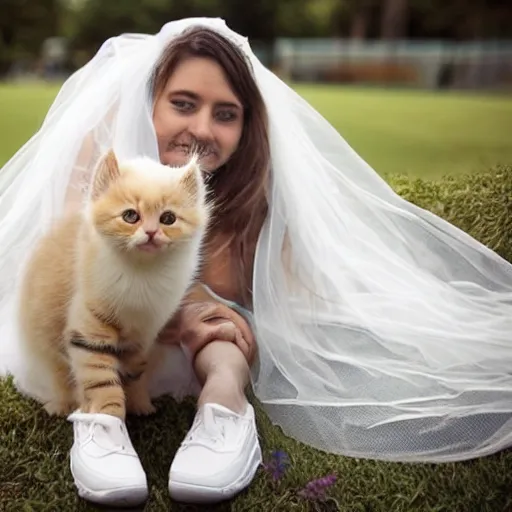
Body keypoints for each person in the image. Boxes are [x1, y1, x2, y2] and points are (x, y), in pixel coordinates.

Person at [1, 16, 512, 507]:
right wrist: (186, 295)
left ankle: (224, 411)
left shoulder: (253, 194)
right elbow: (76, 256)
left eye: (226, 114)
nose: (202, 129)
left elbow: (278, 301)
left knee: (226, 328)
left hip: (200, 351)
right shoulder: (106, 162)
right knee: (147, 306)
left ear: (246, 126)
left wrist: (219, 309)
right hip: (95, 337)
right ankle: (100, 420)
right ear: (148, 101)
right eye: (183, 103)